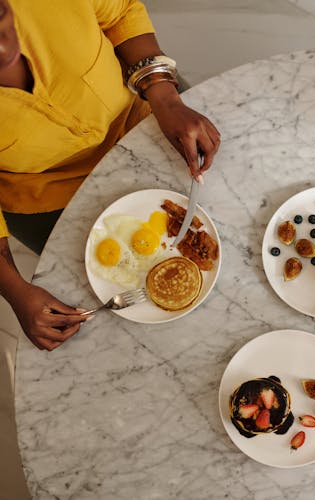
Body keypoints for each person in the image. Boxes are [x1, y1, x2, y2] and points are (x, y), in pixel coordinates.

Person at [0, 0, 221, 350]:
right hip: (52, 190)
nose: (2, 46)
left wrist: (166, 98)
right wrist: (15, 291)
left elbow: (120, 12)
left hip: (145, 105)